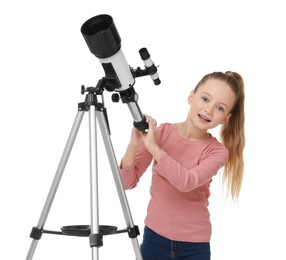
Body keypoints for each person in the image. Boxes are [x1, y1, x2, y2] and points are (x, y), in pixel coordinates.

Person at [119, 71, 245, 260]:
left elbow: (186, 182)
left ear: (226, 118)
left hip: (194, 246)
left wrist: (154, 148)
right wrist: (134, 145)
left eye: (220, 108)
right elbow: (125, 183)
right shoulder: (161, 134)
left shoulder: (217, 152)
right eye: (205, 99)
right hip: (154, 238)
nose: (209, 110)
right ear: (191, 97)